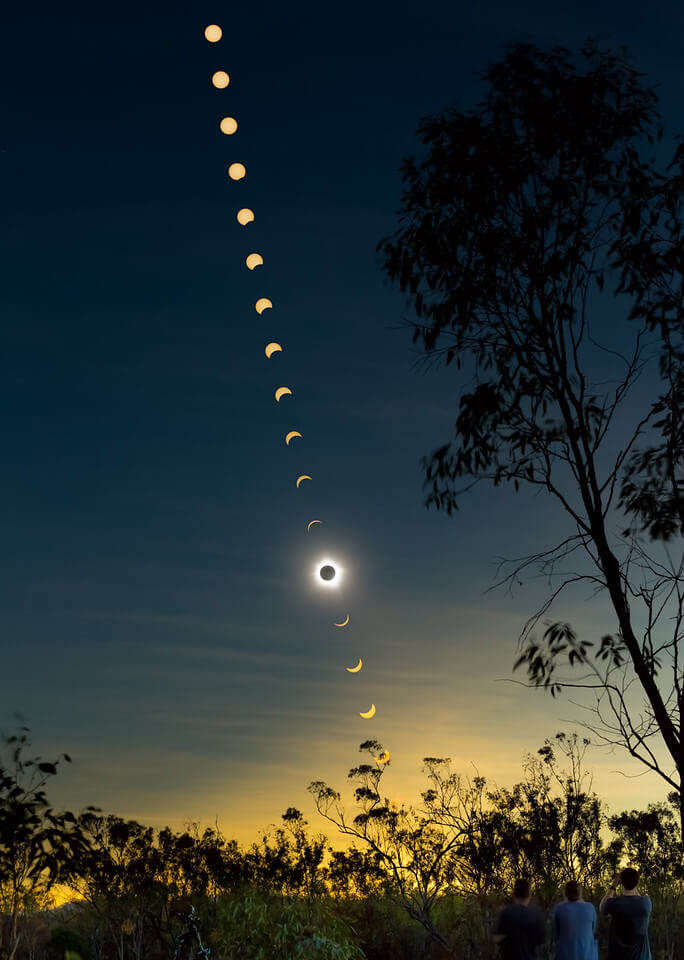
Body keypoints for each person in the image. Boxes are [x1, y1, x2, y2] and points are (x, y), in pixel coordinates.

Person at [599, 867, 652, 960]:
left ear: (621, 883)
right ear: (636, 883)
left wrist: (613, 886)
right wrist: (635, 885)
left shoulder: (614, 903)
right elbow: (638, 898)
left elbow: (602, 907)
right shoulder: (646, 903)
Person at [494, 878, 547, 960]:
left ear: (514, 894)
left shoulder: (507, 912)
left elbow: (497, 938)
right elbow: (541, 940)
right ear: (529, 894)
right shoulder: (536, 913)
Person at [553, 879, 598, 960]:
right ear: (579, 892)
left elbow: (557, 934)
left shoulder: (559, 908)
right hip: (588, 955)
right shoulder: (590, 907)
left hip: (565, 955)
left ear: (566, 893)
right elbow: (593, 931)